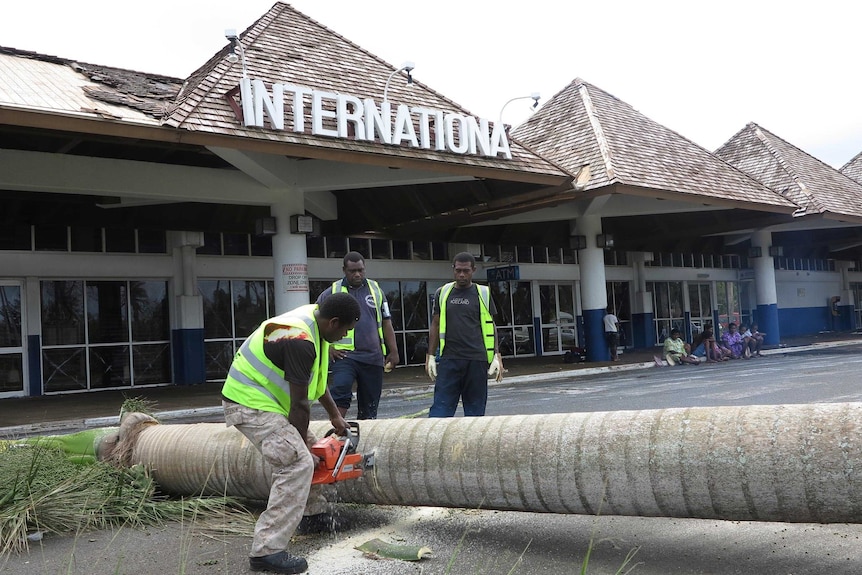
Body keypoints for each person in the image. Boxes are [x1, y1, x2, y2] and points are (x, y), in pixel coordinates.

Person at [221, 293, 360, 574]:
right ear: (333, 322)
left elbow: (316, 383)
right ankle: (267, 551)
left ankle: (312, 514)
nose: (346, 334)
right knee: (297, 462)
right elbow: (299, 404)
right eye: (345, 329)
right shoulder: (299, 341)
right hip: (248, 403)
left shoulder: (316, 322)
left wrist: (335, 415)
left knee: (313, 447)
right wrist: (302, 447)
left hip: (268, 403)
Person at [316, 251, 400, 420]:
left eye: (360, 270)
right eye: (352, 271)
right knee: (340, 390)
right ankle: (336, 431)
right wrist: (328, 347)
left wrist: (394, 351)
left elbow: (386, 322)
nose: (357, 274)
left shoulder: (376, 291)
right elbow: (316, 321)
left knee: (370, 404)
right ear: (344, 270)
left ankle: (364, 437)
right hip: (344, 357)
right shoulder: (332, 292)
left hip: (372, 357)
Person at [426, 252, 502, 417]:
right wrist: (430, 356)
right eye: (458, 270)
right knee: (440, 413)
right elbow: (436, 324)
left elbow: (491, 325)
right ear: (453, 269)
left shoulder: (483, 293)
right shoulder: (443, 293)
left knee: (475, 415)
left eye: (466, 270)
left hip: (477, 360)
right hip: (449, 360)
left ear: (473, 270)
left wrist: (497, 355)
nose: (461, 274)